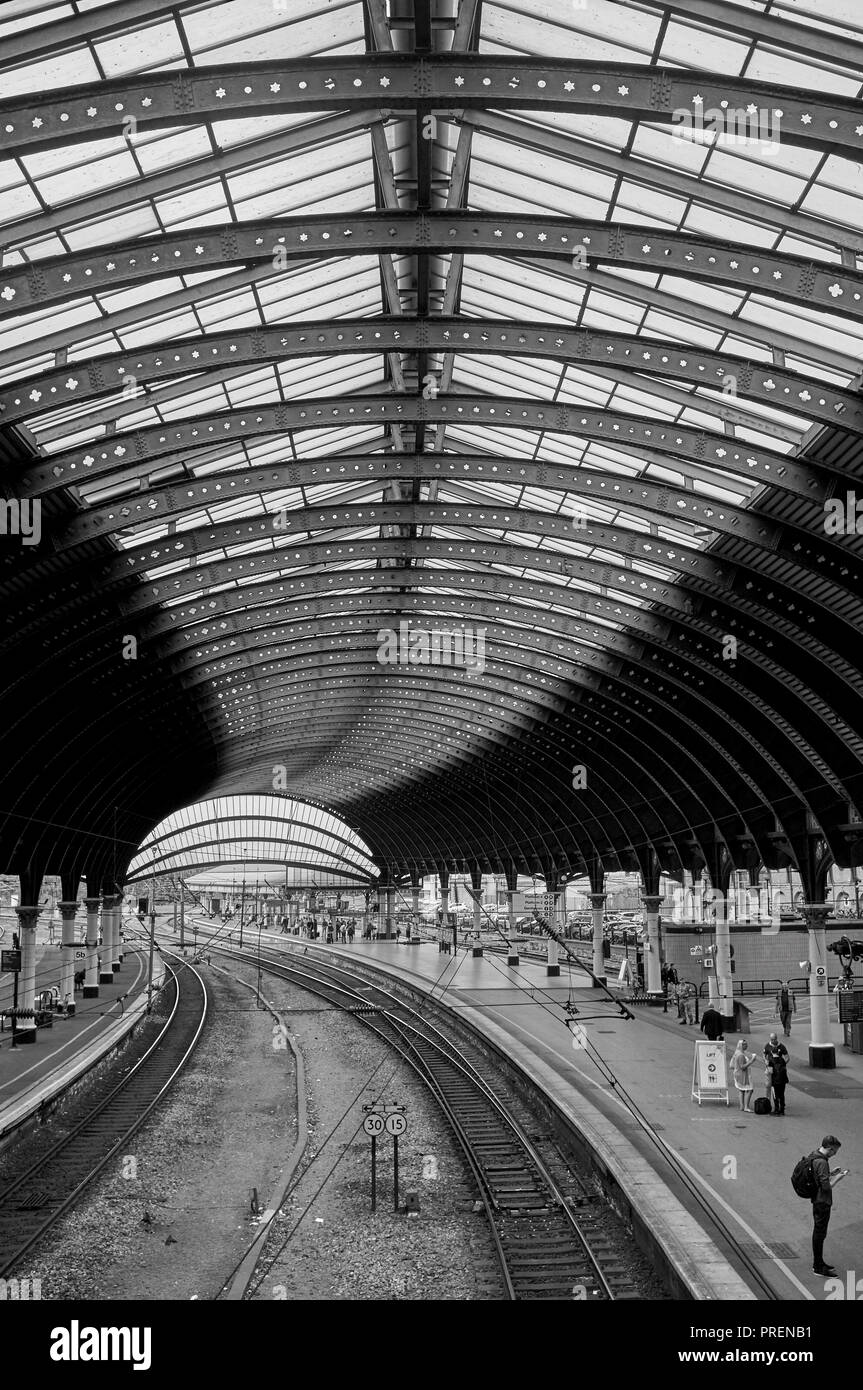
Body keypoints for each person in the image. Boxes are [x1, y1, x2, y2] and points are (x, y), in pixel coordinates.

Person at [810, 1135, 846, 1275]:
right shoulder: (823, 1162)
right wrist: (838, 1178)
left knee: (819, 1232)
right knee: (819, 1233)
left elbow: (819, 1177)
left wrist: (830, 1173)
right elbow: (826, 1186)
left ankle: (819, 1262)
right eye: (835, 1151)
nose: (835, 1154)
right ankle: (818, 1266)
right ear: (830, 1149)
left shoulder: (814, 1155)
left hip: (816, 1199)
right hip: (822, 1202)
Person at [764, 1033, 789, 1114]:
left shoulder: (771, 1062)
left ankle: (776, 1109)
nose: (773, 1041)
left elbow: (770, 1070)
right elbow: (786, 1060)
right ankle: (782, 1109)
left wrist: (767, 1065)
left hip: (775, 1080)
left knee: (775, 1094)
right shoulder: (782, 1060)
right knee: (782, 1094)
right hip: (783, 1080)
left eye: (774, 1039)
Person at [731, 1039, 757, 1112]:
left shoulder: (737, 1052)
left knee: (741, 1090)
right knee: (750, 1089)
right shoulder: (741, 1055)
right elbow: (743, 1067)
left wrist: (736, 1068)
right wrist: (752, 1060)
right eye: (745, 1044)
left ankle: (742, 1106)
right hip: (743, 1075)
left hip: (738, 1074)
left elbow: (731, 1065)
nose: (746, 1045)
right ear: (741, 1045)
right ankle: (746, 1107)